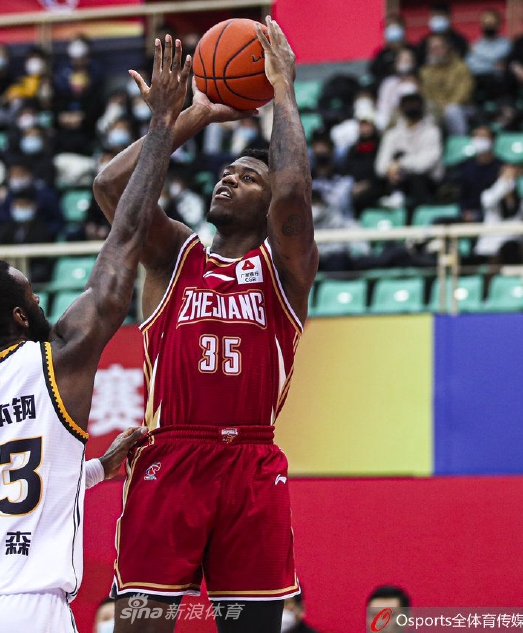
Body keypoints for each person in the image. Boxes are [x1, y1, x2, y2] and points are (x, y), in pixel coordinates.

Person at [0, 34, 192, 632]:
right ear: (19, 316)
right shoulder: (59, 359)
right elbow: (126, 236)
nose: (40, 301)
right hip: (25, 603)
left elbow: (6, 480)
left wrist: (97, 469)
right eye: (32, 295)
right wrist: (163, 123)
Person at [94, 17, 317, 633]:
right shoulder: (176, 257)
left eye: (248, 177)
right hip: (170, 457)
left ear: (267, 206)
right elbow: (111, 189)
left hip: (251, 463)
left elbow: (294, 193)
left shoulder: (285, 270)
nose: (228, 178)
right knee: (141, 623)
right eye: (227, 173)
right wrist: (186, 117)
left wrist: (282, 90)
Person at [375, 92, 443, 217]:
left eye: (414, 104)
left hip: (427, 183)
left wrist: (400, 164)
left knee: (416, 178)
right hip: (397, 180)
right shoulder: (392, 134)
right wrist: (391, 168)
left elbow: (425, 164)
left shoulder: (432, 132)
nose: (411, 107)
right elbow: (380, 166)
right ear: (401, 108)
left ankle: (416, 216)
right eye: (407, 104)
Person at [419, 34, 474, 136]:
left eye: (440, 47)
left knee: (452, 110)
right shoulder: (425, 72)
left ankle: (459, 141)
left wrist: (447, 106)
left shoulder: (460, 67)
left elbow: (465, 90)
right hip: (436, 108)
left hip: (461, 106)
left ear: (447, 48)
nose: (437, 51)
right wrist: (440, 107)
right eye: (433, 49)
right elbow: (426, 94)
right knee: (427, 113)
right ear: (429, 52)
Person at [454, 125, 504, 221]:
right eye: (476, 136)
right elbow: (461, 195)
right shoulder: (465, 167)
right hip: (468, 213)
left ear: (492, 140)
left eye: (483, 137)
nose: (479, 140)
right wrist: (465, 212)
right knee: (439, 221)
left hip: (492, 213)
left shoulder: (501, 167)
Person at [466, 9, 511, 101]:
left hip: (499, 83)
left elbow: (500, 61)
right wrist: (493, 64)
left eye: (491, 23)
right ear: (481, 24)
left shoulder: (506, 44)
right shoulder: (475, 45)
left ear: (499, 24)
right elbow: (471, 66)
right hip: (478, 82)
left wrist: (479, 56)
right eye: (486, 23)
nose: (489, 26)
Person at [368, 14, 412, 91]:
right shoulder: (381, 55)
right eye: (388, 27)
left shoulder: (413, 50)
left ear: (403, 28)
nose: (392, 30)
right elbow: (376, 75)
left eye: (395, 27)